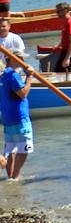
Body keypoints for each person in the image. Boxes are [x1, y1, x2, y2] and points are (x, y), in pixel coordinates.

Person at [0, 50, 34, 180]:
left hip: (8, 118)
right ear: (13, 59)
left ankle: (10, 176)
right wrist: (30, 76)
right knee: (24, 150)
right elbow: (23, 93)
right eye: (21, 59)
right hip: (20, 118)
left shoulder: (3, 75)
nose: (23, 62)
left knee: (11, 148)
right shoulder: (13, 75)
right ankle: (15, 176)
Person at [54, 2, 71, 72]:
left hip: (70, 53)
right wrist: (58, 46)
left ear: (65, 10)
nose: (57, 13)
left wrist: (67, 58)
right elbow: (66, 38)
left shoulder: (70, 23)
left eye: (58, 11)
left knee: (67, 75)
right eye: (56, 11)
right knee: (58, 72)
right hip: (64, 51)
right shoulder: (66, 22)